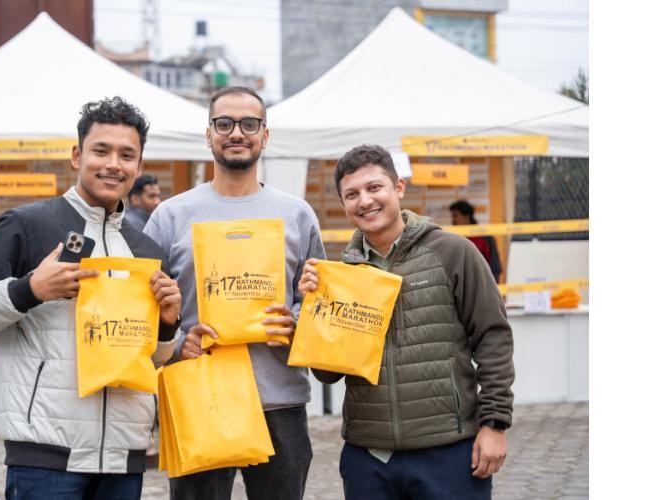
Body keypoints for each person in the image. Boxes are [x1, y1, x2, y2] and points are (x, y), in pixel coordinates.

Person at [0, 96, 183, 499]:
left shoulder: (145, 248)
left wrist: (166, 324)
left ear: (139, 166)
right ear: (77, 155)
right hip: (45, 454)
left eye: (127, 155)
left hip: (123, 457)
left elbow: (151, 359)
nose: (114, 164)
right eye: (101, 151)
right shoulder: (26, 225)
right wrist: (30, 289)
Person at [298, 145, 515, 499]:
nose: (365, 201)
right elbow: (327, 374)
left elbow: (493, 339)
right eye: (352, 194)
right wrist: (315, 311)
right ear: (343, 204)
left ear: (398, 187)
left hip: (449, 453)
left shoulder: (453, 252)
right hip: (369, 458)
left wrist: (495, 424)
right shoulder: (341, 275)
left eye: (374, 187)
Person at [144, 86, 326, 500]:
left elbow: (318, 301)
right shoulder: (170, 216)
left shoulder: (297, 214)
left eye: (249, 123)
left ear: (265, 135)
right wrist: (178, 341)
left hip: (280, 399)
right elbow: (146, 306)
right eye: (224, 123)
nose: (237, 133)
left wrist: (297, 324)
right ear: (208, 134)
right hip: (201, 396)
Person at [449, 199, 503, 282]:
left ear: (466, 216)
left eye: (455, 216)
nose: (453, 220)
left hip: (483, 286)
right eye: (452, 216)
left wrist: (491, 287)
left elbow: (495, 268)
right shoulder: (453, 239)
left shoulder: (486, 238)